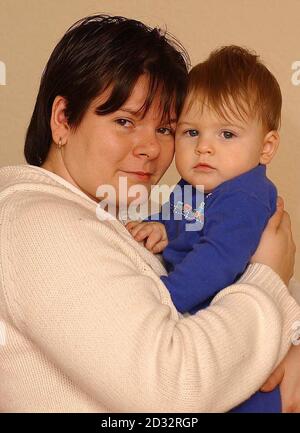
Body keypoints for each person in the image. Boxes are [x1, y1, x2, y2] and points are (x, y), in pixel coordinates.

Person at [0, 14, 299, 413]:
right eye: (124, 121)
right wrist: (269, 279)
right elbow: (174, 389)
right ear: (62, 120)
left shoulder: (117, 215)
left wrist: (290, 342)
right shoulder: (36, 222)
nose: (151, 149)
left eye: (165, 129)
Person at [126, 46, 283, 411]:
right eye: (191, 132)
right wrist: (162, 229)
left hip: (245, 349)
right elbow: (181, 221)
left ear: (266, 147)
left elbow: (218, 258)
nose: (204, 149)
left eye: (227, 135)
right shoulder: (192, 186)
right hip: (204, 334)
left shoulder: (246, 196)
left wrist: (162, 295)